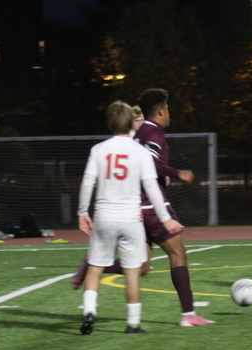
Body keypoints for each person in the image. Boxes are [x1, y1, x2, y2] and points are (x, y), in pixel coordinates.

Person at [73, 89, 214, 327]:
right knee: (178, 253)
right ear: (161, 110)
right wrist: (176, 173)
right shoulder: (154, 132)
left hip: (135, 208)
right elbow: (150, 163)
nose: (169, 113)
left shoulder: (138, 133)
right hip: (150, 205)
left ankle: (95, 265)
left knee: (143, 266)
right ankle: (188, 315)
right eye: (168, 108)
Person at [77, 100, 182, 335]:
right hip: (131, 218)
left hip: (104, 216)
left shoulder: (98, 150)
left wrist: (82, 212)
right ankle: (133, 324)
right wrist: (165, 218)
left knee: (94, 267)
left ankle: (89, 312)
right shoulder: (140, 152)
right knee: (133, 271)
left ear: (109, 123)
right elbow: (152, 189)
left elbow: (87, 182)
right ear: (131, 123)